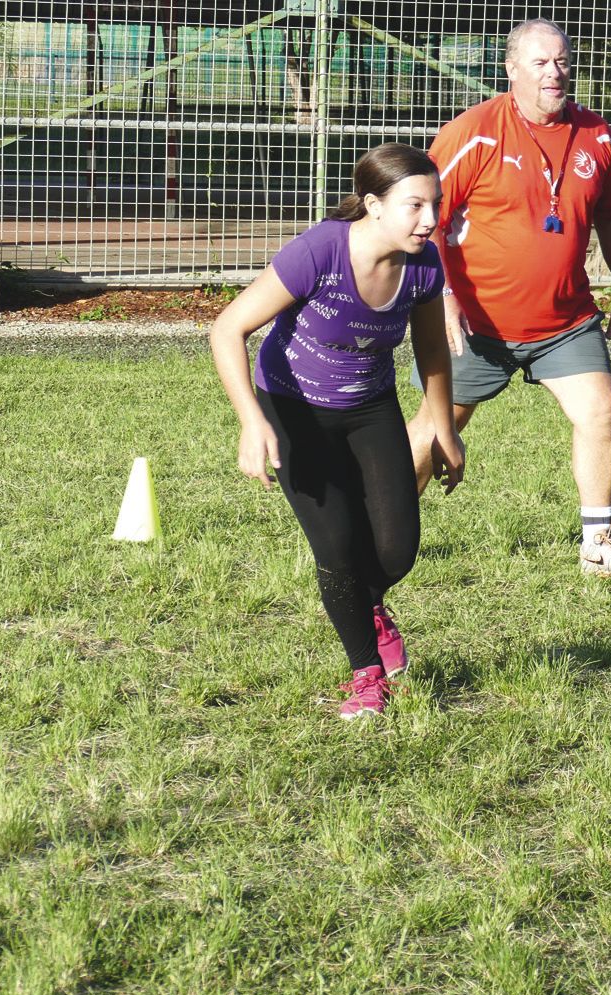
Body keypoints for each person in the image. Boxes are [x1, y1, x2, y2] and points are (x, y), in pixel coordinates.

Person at [210, 142, 460, 720]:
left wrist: (443, 427)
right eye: (416, 206)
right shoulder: (320, 251)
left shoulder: (423, 263)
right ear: (373, 205)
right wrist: (251, 421)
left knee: (396, 550)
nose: (431, 220)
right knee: (338, 549)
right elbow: (228, 329)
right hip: (293, 407)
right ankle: (366, 673)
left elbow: (430, 348)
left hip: (371, 407)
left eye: (437, 204)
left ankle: (367, 607)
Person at [422, 17, 611, 579]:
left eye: (563, 61)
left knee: (600, 409)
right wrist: (442, 294)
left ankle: (598, 542)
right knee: (435, 430)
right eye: (541, 62)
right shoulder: (473, 132)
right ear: (511, 68)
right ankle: (382, 530)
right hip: (477, 325)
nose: (555, 72)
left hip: (565, 322)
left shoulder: (596, 135)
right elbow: (425, 218)